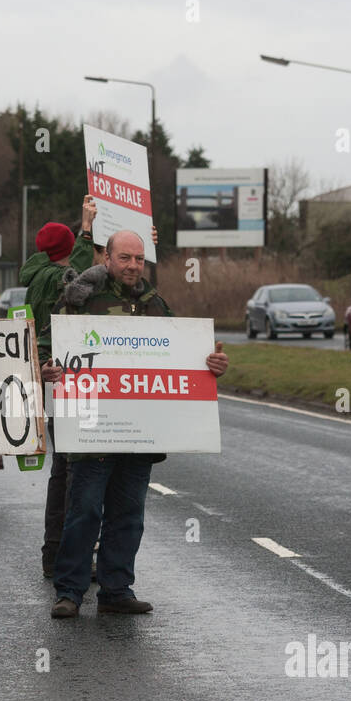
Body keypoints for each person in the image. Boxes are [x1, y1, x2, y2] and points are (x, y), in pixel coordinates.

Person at [41, 230, 228, 619]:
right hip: (92, 430)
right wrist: (47, 367)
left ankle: (116, 589)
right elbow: (46, 345)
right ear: (106, 258)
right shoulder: (80, 299)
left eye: (139, 259)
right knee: (85, 510)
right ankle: (70, 592)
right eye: (124, 258)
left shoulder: (154, 303)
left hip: (141, 432)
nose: (132, 266)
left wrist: (211, 364)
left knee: (129, 514)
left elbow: (185, 356)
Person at [20, 197, 99, 577]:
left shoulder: (38, 273)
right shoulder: (56, 277)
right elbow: (82, 273)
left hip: (53, 371)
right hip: (60, 373)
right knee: (70, 468)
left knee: (65, 467)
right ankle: (61, 553)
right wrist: (86, 229)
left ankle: (58, 551)